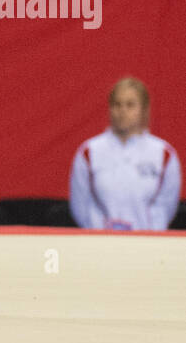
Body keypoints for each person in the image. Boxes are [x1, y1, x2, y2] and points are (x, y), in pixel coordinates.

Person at [69, 77, 181, 231]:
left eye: (130, 105)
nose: (123, 111)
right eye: (117, 104)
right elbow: (81, 205)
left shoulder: (164, 154)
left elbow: (166, 206)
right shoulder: (89, 152)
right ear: (110, 108)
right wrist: (97, 232)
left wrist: (149, 234)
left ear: (143, 109)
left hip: (147, 243)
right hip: (99, 243)